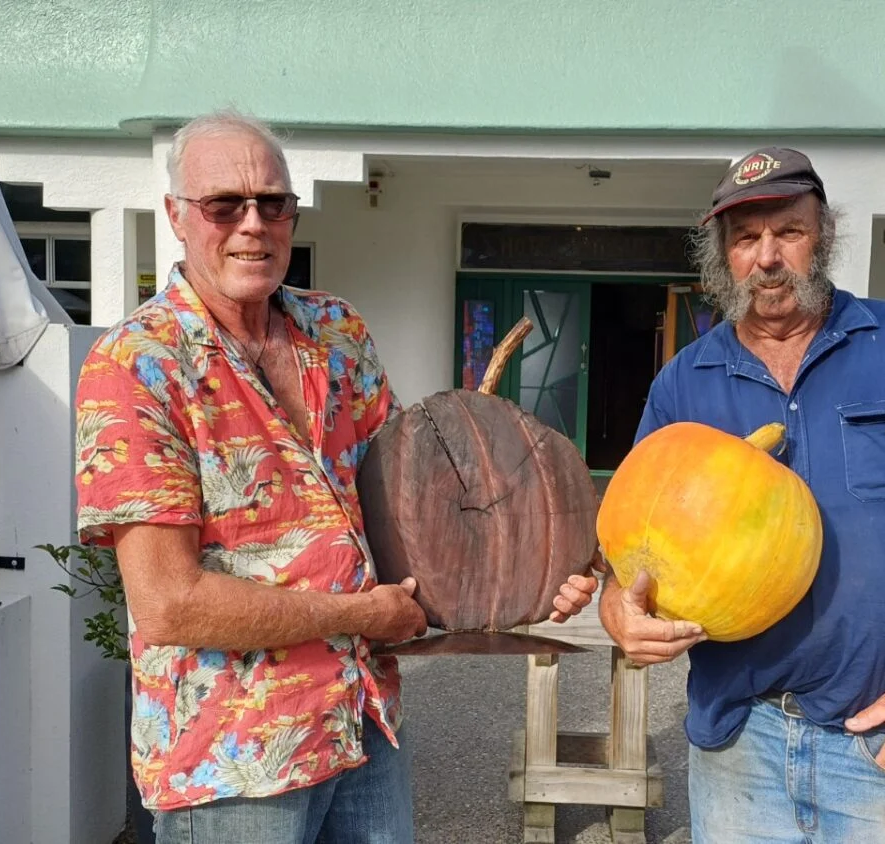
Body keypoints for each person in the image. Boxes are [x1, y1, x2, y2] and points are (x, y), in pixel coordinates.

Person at [71, 109, 595, 844]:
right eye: (225, 204)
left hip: (361, 720)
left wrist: (539, 572)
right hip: (234, 758)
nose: (253, 224)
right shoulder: (136, 366)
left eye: (273, 203)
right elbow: (168, 604)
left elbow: (415, 507)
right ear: (178, 218)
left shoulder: (336, 331)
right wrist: (358, 616)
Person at [569, 147, 885, 842]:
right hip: (737, 740)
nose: (767, 256)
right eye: (745, 238)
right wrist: (617, 613)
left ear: (824, 237)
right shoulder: (684, 383)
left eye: (787, 231)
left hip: (879, 734)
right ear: (721, 255)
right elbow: (624, 548)